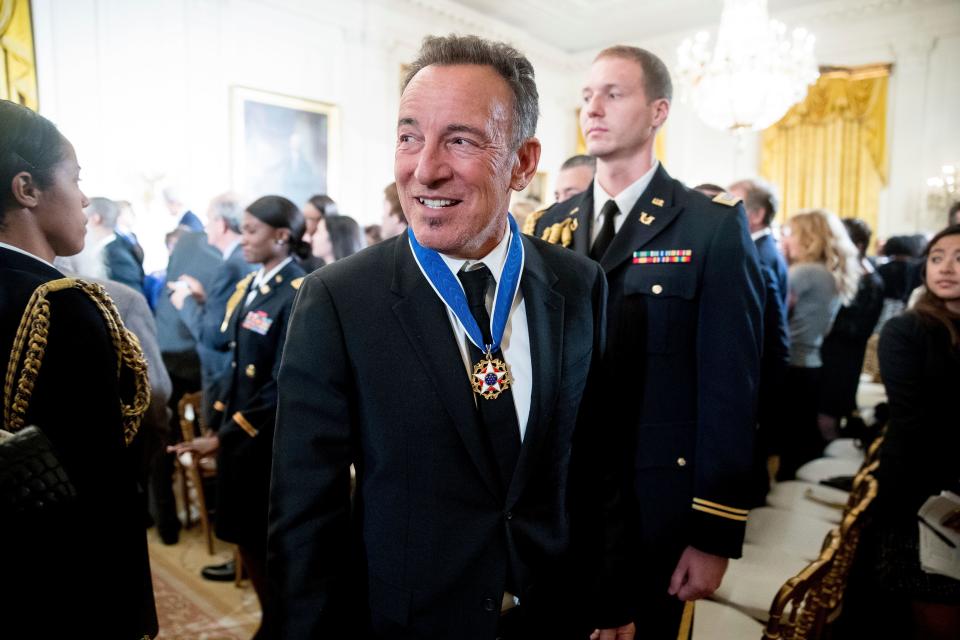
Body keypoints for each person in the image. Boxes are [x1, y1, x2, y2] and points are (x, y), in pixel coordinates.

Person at [268, 34, 634, 640]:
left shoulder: (578, 282)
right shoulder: (337, 300)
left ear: (522, 161)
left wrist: (612, 592)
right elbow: (306, 515)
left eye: (460, 140)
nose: (425, 168)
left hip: (553, 614)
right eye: (409, 136)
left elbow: (596, 457)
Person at [533, 45, 764, 638]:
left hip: (656, 503)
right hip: (561, 502)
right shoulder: (549, 228)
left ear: (658, 111)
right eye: (586, 96)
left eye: (614, 93)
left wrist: (713, 533)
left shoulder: (709, 225)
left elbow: (729, 388)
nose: (594, 107)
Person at [0, 99, 157, 637]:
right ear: (28, 189)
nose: (86, 198)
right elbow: (102, 480)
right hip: (60, 584)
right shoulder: (62, 304)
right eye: (75, 177)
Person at [170, 195, 307, 638]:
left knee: (266, 541)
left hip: (263, 438)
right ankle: (274, 620)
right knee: (246, 535)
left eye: (251, 230)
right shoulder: (257, 284)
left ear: (281, 236)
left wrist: (228, 433)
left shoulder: (298, 291)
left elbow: (281, 381)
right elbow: (236, 358)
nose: (242, 238)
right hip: (238, 432)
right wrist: (218, 420)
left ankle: (281, 623)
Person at [870, 225, 960, 639]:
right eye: (938, 257)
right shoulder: (907, 330)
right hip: (924, 497)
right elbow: (917, 424)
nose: (946, 268)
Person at [777, 209, 860, 479]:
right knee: (800, 438)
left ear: (807, 236)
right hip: (812, 363)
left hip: (792, 363)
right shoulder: (828, 272)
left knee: (787, 441)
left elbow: (774, 313)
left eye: (790, 233)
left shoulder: (803, 272)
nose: (785, 239)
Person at [728, 178, 790, 505]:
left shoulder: (758, 253)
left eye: (733, 202)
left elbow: (769, 324)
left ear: (756, 213)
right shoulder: (763, 248)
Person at [818, 217, 885, 436]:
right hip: (833, 359)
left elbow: (855, 329)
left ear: (858, 247)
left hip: (842, 361)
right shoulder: (854, 276)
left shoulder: (870, 282)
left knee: (828, 420)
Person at [84, 196, 146, 293]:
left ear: (95, 219)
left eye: (84, 216)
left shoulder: (117, 256)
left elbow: (132, 297)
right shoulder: (111, 249)